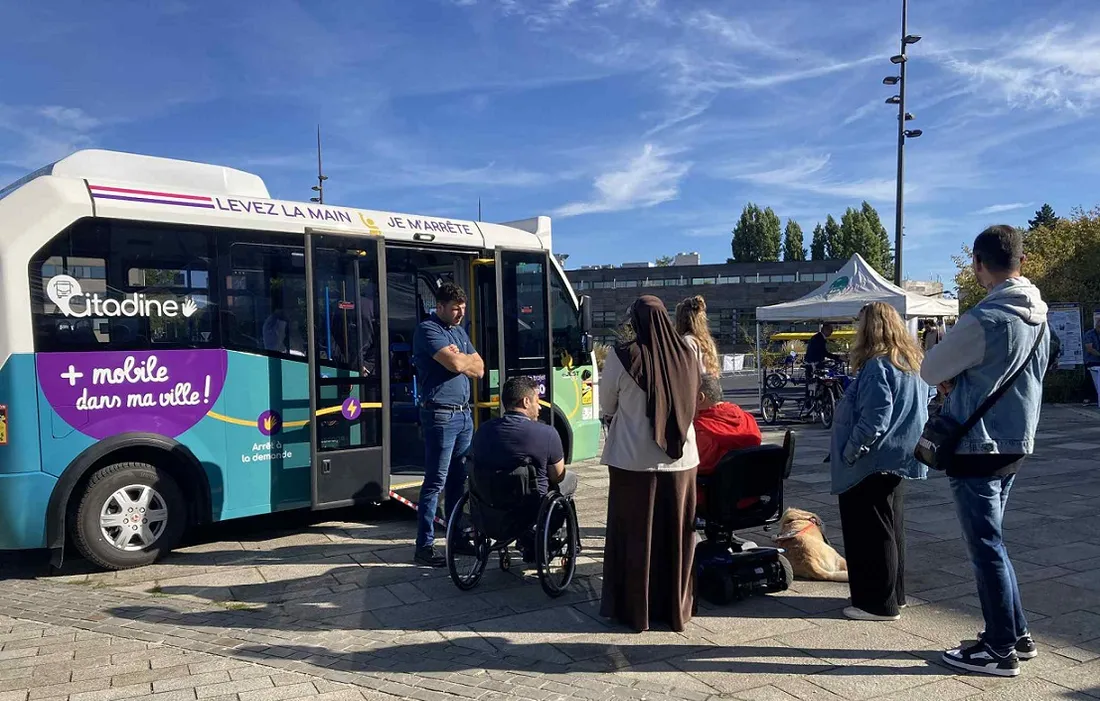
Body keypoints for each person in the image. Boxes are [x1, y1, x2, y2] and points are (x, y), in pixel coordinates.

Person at [921, 225, 1051, 678]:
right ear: (1022, 261)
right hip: (1017, 440)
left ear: (978, 263)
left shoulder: (985, 317)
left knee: (985, 547)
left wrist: (953, 378)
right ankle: (1017, 633)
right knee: (994, 541)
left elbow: (930, 369)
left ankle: (998, 648)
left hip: (976, 444)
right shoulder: (1039, 316)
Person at [599, 295, 701, 633]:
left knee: (635, 535)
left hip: (633, 461)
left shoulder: (623, 355)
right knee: (676, 535)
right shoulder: (688, 352)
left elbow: (607, 404)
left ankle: (635, 608)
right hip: (682, 461)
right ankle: (674, 608)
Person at [830, 302, 928, 622]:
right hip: (901, 455)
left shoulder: (878, 365)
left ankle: (877, 604)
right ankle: (895, 596)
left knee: (870, 533)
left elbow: (875, 418)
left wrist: (850, 451)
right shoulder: (912, 363)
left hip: (872, 460)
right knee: (891, 528)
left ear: (869, 328)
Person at [412, 282, 485, 567]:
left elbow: (479, 368)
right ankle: (424, 545)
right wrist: (459, 360)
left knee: (459, 479)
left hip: (464, 415)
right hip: (440, 415)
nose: (460, 314)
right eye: (455, 309)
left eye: (463, 309)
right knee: (436, 481)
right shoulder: (427, 330)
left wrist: (459, 357)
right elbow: (455, 366)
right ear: (440, 306)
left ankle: (457, 537)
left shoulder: (458, 331)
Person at [471, 376, 577, 560]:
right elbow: (557, 476)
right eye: (537, 401)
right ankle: (557, 538)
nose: (540, 407)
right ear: (526, 402)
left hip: (488, 507)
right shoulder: (547, 433)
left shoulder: (483, 431)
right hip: (530, 509)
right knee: (570, 479)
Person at [694, 373, 762, 476]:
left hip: (715, 484)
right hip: (753, 481)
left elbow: (698, 469)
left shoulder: (701, 429)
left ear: (700, 398)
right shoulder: (749, 419)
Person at [675, 296, 720, 376]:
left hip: (695, 383)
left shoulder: (687, 341)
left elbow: (688, 372)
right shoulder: (707, 341)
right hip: (709, 382)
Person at [1084, 316, 1100, 407]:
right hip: (1092, 360)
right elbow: (1089, 349)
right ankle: (1088, 398)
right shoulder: (1090, 334)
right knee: (1090, 380)